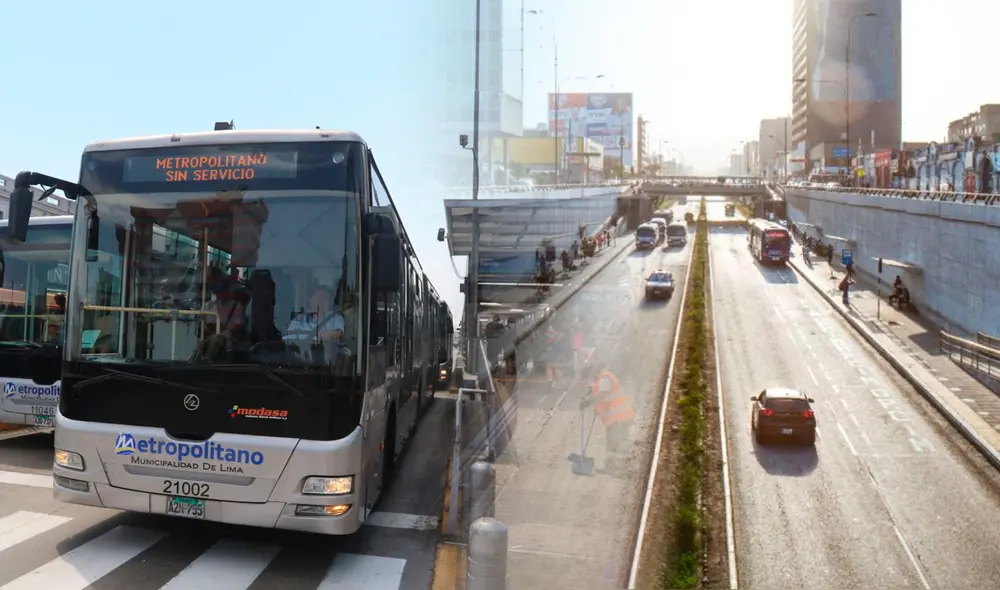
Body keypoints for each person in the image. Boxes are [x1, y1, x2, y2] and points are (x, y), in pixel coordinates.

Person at [580, 365, 635, 473]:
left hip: (619, 417)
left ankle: (621, 469)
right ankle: (611, 467)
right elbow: (604, 399)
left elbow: (603, 394)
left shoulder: (605, 379)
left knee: (617, 443)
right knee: (612, 443)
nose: (590, 380)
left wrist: (589, 401)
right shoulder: (603, 379)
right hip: (618, 417)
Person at [283, 285, 346, 363]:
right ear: (310, 300)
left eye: (324, 299)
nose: (320, 302)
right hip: (301, 362)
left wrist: (331, 335)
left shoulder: (336, 318)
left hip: (327, 363)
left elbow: (340, 335)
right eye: (317, 298)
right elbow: (287, 340)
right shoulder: (299, 319)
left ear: (329, 302)